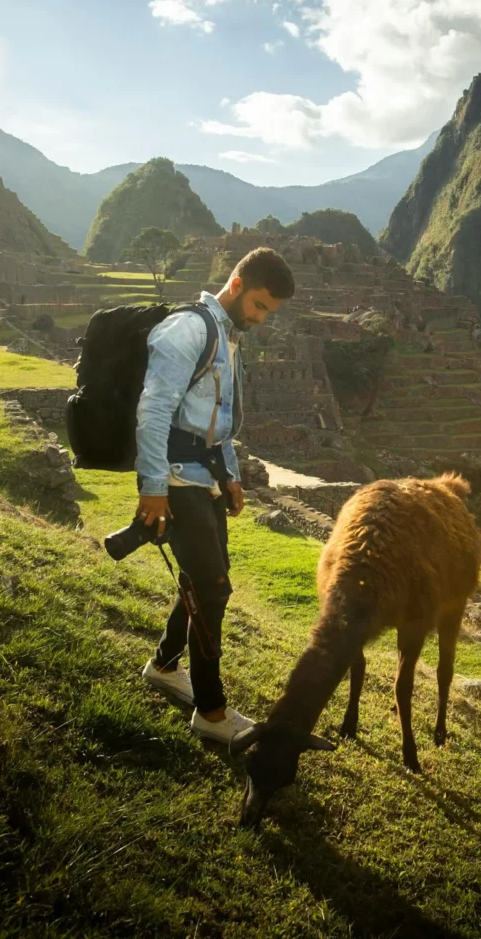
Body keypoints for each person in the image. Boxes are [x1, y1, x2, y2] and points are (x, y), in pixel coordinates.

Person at [137, 247, 295, 743]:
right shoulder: (189, 330)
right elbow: (154, 411)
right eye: (260, 306)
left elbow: (218, 423)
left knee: (202, 579)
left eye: (269, 312)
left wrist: (229, 476)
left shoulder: (228, 338)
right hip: (177, 481)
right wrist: (153, 488)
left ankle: (163, 664)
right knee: (213, 588)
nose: (262, 319)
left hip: (205, 480)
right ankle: (210, 712)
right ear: (236, 283)